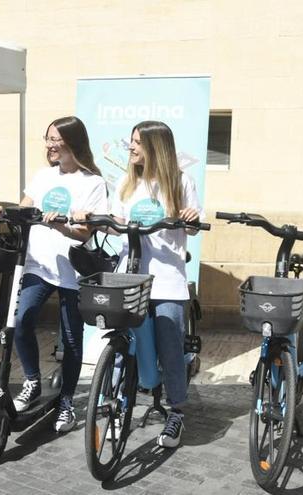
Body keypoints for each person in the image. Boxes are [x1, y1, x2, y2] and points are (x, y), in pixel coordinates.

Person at [0, 116, 107, 432]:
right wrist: (2, 210)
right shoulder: (43, 177)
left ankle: (66, 402)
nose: (50, 145)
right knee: (21, 320)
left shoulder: (92, 182)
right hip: (38, 266)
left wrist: (61, 225)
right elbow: (25, 209)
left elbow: (84, 233)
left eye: (56, 139)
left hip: (72, 271)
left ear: (72, 142)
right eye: (48, 138)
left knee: (70, 339)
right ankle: (32, 380)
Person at [100, 120, 202, 448]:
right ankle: (114, 406)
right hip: (128, 277)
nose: (130, 147)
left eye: (137, 143)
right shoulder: (126, 185)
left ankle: (176, 412)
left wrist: (190, 216)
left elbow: (195, 225)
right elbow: (115, 226)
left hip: (168, 282)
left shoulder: (181, 182)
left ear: (155, 147)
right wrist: (103, 222)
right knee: (120, 346)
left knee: (170, 344)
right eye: (130, 141)